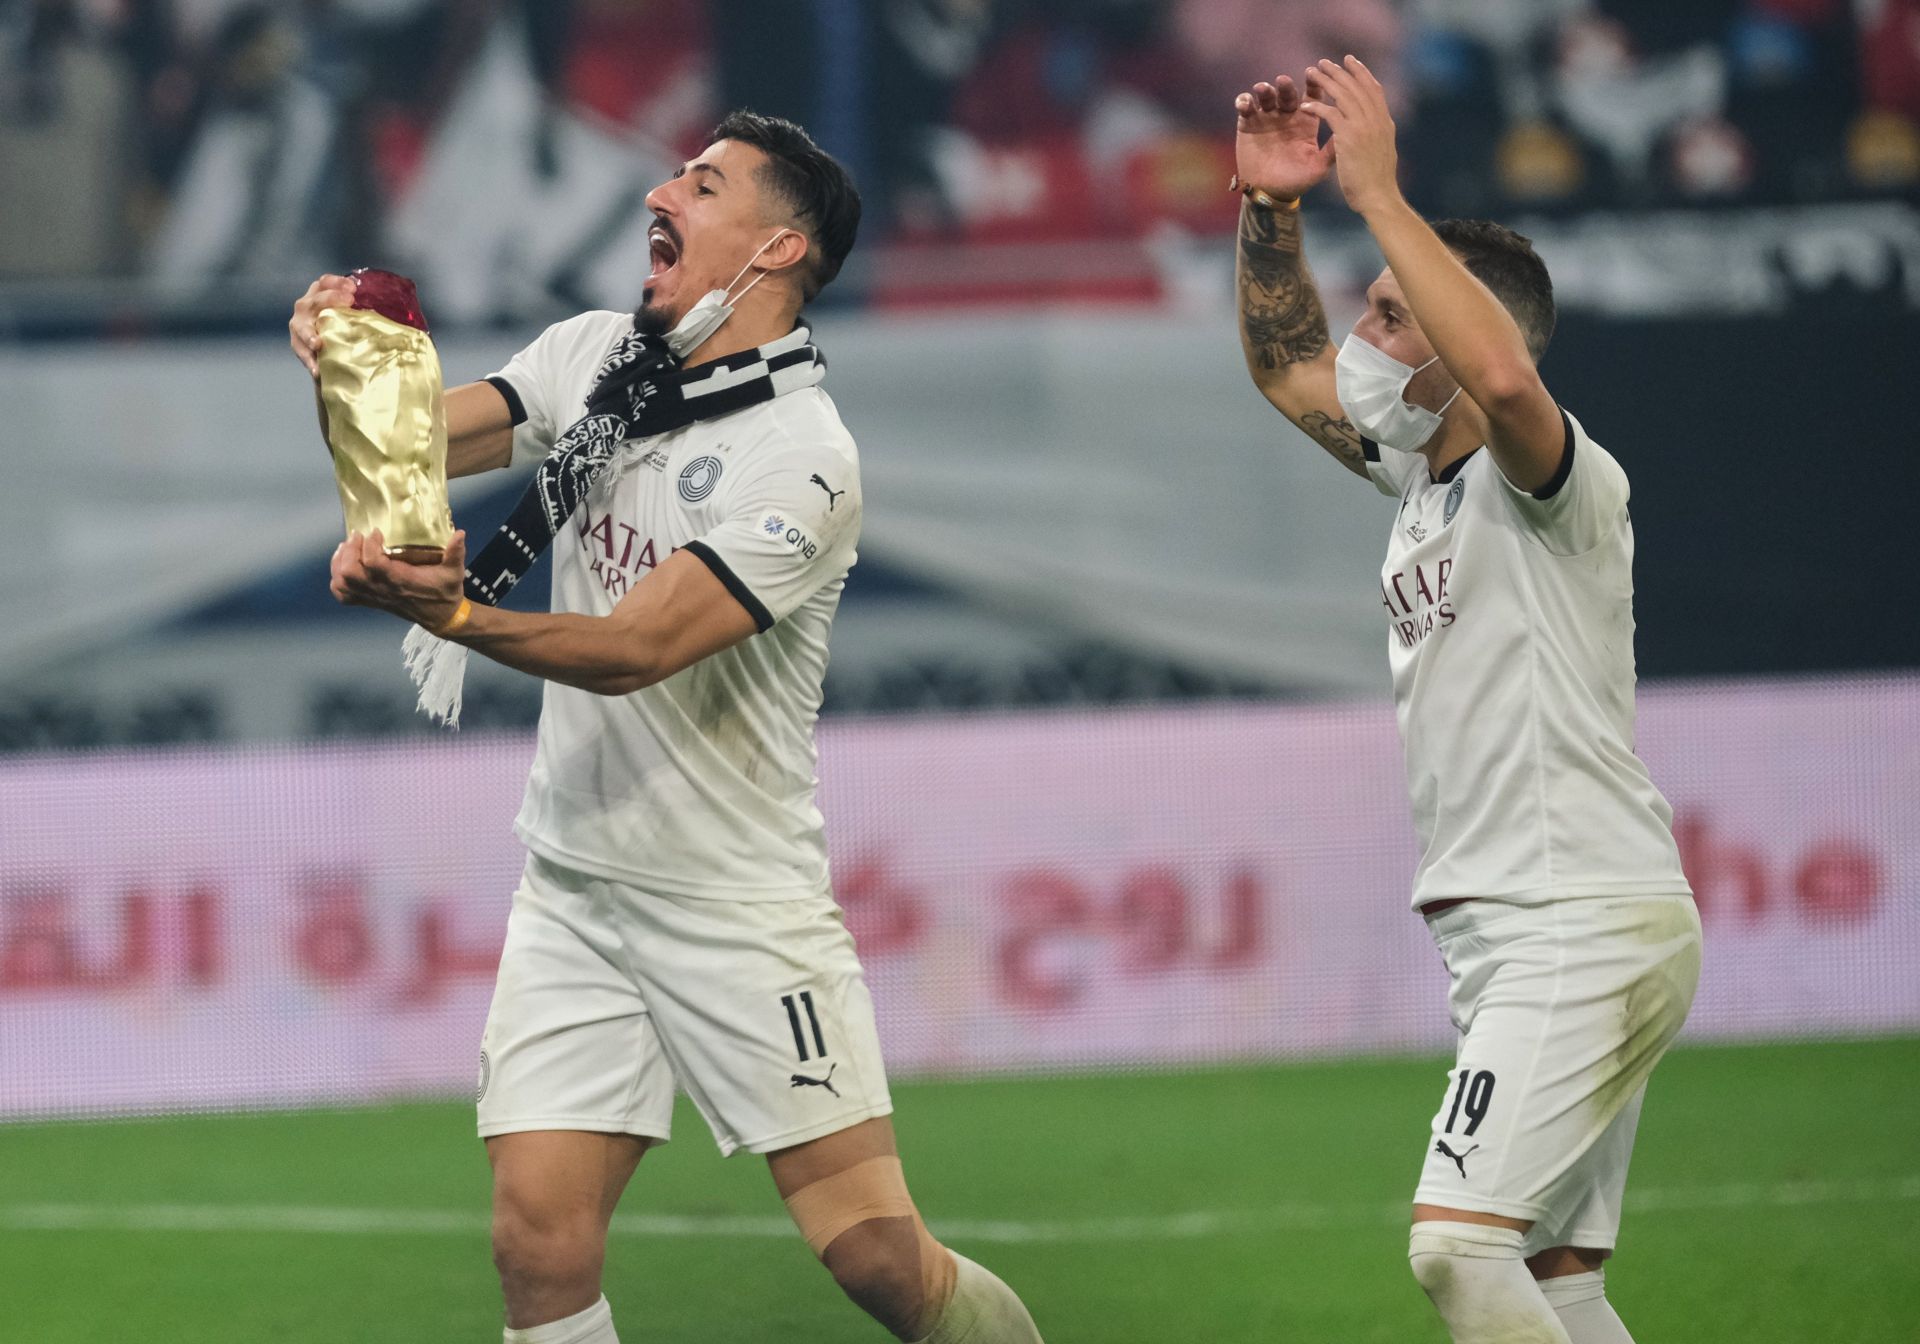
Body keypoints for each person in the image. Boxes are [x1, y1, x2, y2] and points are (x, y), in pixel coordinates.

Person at [290, 109, 1044, 1344]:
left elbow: (640, 647)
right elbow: (413, 445)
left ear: (776, 250)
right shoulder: (597, 357)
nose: (661, 192)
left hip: (734, 903)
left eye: (701, 183)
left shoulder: (802, 457)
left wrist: (461, 616)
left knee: (877, 1263)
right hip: (578, 889)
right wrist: (347, 368)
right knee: (536, 1246)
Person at [1229, 61, 1702, 1344]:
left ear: (1458, 340)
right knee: (1559, 1284)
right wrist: (1274, 210)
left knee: (1455, 1251)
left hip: (1577, 916)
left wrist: (1380, 194)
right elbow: (1285, 371)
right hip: (1519, 926)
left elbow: (1503, 385)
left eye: (1390, 317)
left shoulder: (1555, 482)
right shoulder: (1418, 483)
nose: (1360, 335)